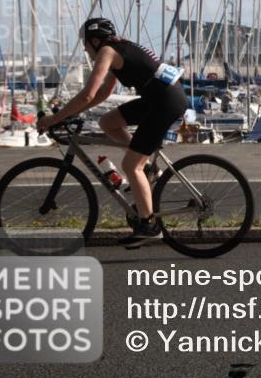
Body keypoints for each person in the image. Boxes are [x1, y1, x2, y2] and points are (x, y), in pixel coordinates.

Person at [37, 18, 189, 246]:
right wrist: (71, 114)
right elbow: (103, 94)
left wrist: (54, 119)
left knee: (130, 165)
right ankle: (148, 168)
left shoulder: (106, 52)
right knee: (108, 122)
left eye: (86, 45)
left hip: (164, 102)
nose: (86, 50)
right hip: (159, 97)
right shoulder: (120, 48)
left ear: (95, 41)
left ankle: (149, 226)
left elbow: (89, 94)